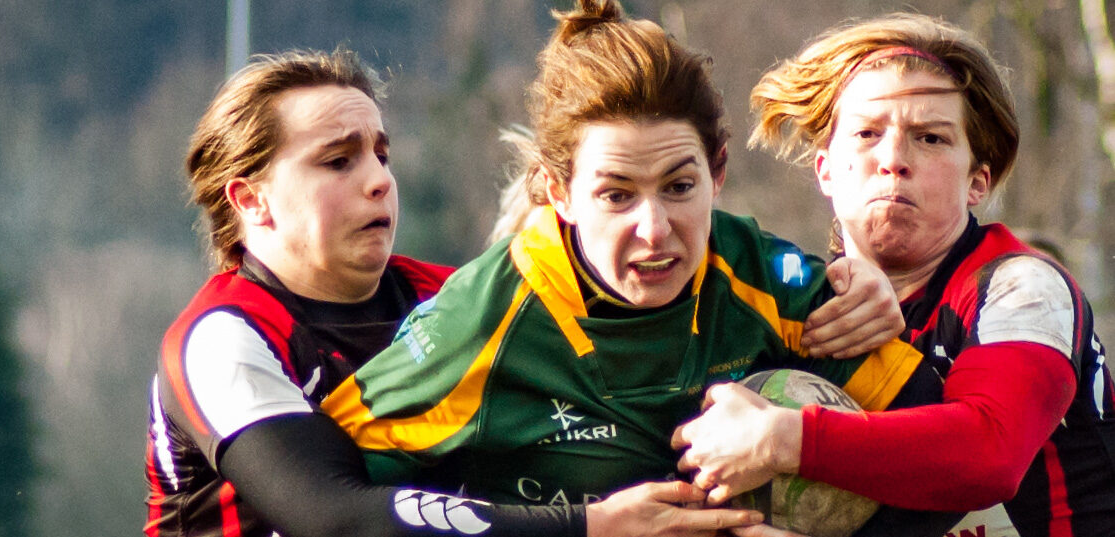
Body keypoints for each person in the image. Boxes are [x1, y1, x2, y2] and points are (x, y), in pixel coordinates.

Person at [323, 2, 951, 536]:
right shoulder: (481, 322)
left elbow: (942, 467)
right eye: (616, 195)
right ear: (558, 192)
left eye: (679, 186)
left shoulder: (763, 278)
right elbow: (329, 500)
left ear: (718, 172)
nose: (655, 229)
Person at [143, 46, 770, 537]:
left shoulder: (454, 300)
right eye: (339, 161)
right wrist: (590, 526)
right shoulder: (222, 338)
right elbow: (332, 519)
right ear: (251, 200)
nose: (379, 181)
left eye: (381, 155)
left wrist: (846, 293)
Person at [672, 12, 1115, 537]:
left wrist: (783, 439)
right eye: (866, 133)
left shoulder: (1025, 288)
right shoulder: (794, 301)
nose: (893, 159)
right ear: (826, 171)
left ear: (978, 182)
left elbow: (989, 455)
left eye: (929, 138)